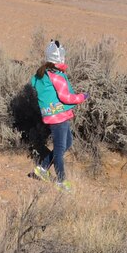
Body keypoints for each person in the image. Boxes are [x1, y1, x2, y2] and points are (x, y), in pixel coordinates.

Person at [30, 40, 89, 191]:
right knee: (60, 148)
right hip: (59, 117)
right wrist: (82, 97)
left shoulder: (42, 74)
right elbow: (66, 97)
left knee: (67, 143)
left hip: (51, 115)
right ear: (60, 58)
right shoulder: (57, 76)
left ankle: (42, 168)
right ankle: (61, 181)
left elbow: (34, 84)